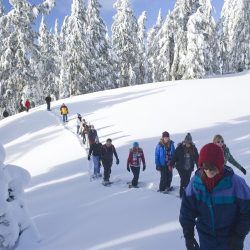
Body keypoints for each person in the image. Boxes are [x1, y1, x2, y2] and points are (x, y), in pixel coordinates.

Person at [179, 143, 250, 250]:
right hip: (206, 239)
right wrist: (188, 236)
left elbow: (247, 212)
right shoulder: (195, 183)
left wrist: (238, 235)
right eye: (205, 167)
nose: (208, 171)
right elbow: (186, 210)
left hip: (230, 240)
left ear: (220, 164)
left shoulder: (236, 184)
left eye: (212, 167)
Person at [169, 133, 199, 198]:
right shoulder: (180, 148)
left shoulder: (193, 149)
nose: (188, 144)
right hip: (180, 167)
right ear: (185, 141)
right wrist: (171, 164)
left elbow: (197, 158)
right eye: (187, 142)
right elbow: (175, 157)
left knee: (187, 181)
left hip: (189, 168)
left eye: (189, 142)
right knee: (183, 180)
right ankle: (182, 195)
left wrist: (199, 167)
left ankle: (187, 193)